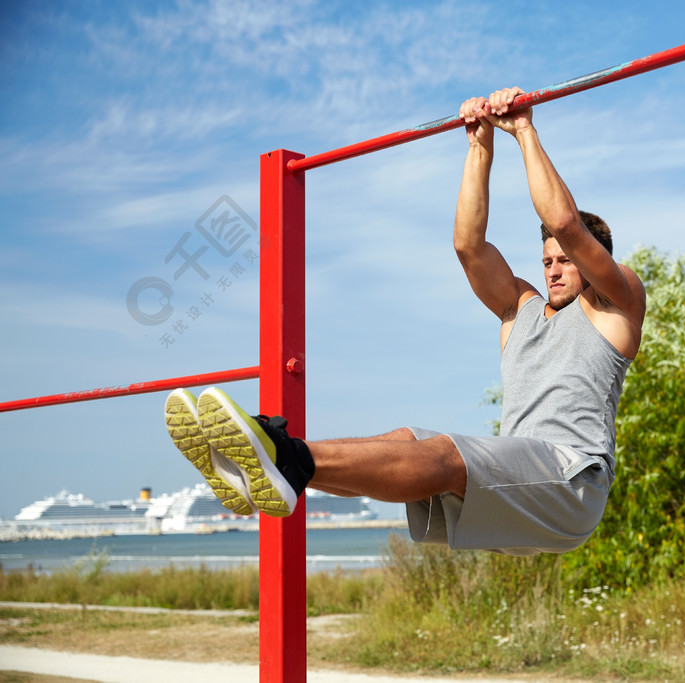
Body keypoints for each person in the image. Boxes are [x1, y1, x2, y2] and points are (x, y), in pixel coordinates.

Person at [164, 87, 646, 555]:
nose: (555, 268)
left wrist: (522, 129)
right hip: (521, 489)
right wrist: (480, 145)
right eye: (547, 262)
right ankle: (279, 464)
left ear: (595, 261)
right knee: (407, 440)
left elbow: (564, 223)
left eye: (567, 260)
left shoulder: (615, 305)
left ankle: (281, 455)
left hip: (572, 483)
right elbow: (468, 247)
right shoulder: (520, 310)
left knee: (444, 454)